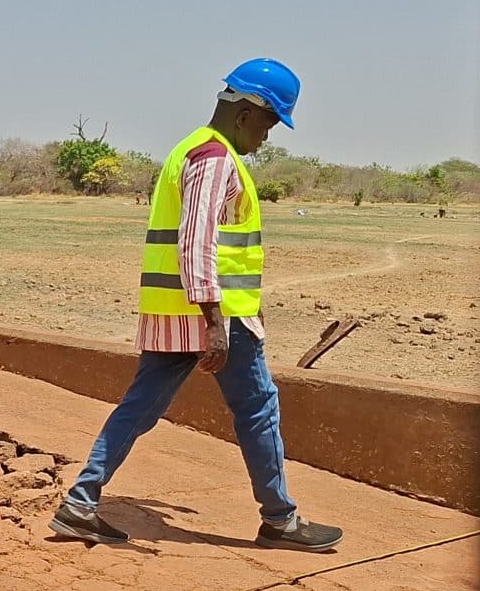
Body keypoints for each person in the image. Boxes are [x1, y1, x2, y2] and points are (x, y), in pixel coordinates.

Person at [51, 59, 342, 552]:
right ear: (249, 111)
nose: (269, 136)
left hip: (183, 310)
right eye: (271, 122)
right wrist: (214, 321)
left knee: (140, 407)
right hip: (213, 315)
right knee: (258, 409)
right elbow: (196, 242)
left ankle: (81, 503)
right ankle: (280, 519)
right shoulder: (215, 159)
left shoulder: (191, 150)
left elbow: (223, 248)